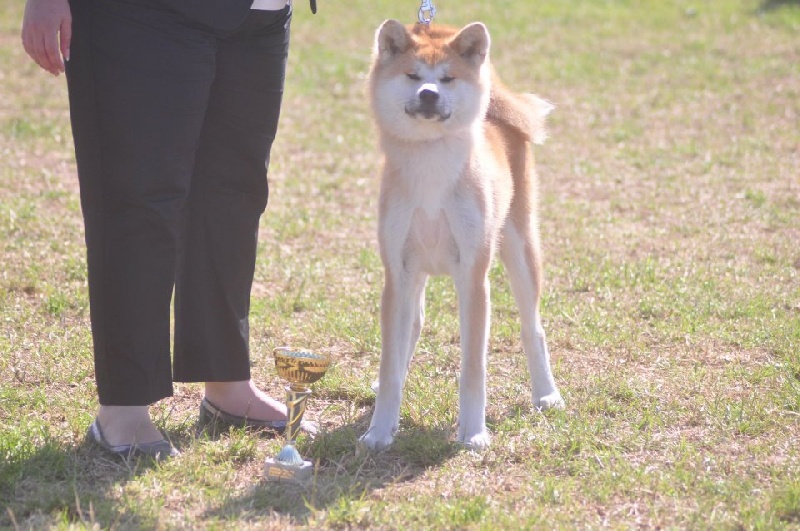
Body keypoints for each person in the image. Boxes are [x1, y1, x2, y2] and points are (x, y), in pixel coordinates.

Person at [21, 0, 304, 458]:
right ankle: (124, 408)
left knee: (233, 195)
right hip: (142, 14)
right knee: (137, 201)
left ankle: (227, 382)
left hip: (259, 16)